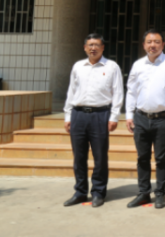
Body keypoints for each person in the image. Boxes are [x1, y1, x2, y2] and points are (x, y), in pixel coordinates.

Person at [124, 29, 165, 209]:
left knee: (161, 158)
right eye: (149, 42)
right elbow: (131, 91)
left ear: (163, 44)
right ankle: (143, 193)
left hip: (163, 119)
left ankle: (160, 193)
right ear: (144, 45)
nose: (153, 45)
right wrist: (129, 115)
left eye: (157, 42)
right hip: (141, 117)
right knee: (142, 157)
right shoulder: (138, 65)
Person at [63, 33, 123, 208]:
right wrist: (68, 116)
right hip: (78, 114)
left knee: (100, 156)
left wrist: (114, 117)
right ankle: (80, 192)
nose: (93, 48)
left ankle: (98, 192)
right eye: (90, 45)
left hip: (100, 115)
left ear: (102, 48)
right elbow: (71, 92)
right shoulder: (78, 66)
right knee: (79, 156)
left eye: (97, 45)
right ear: (85, 48)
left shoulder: (112, 67)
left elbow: (118, 93)